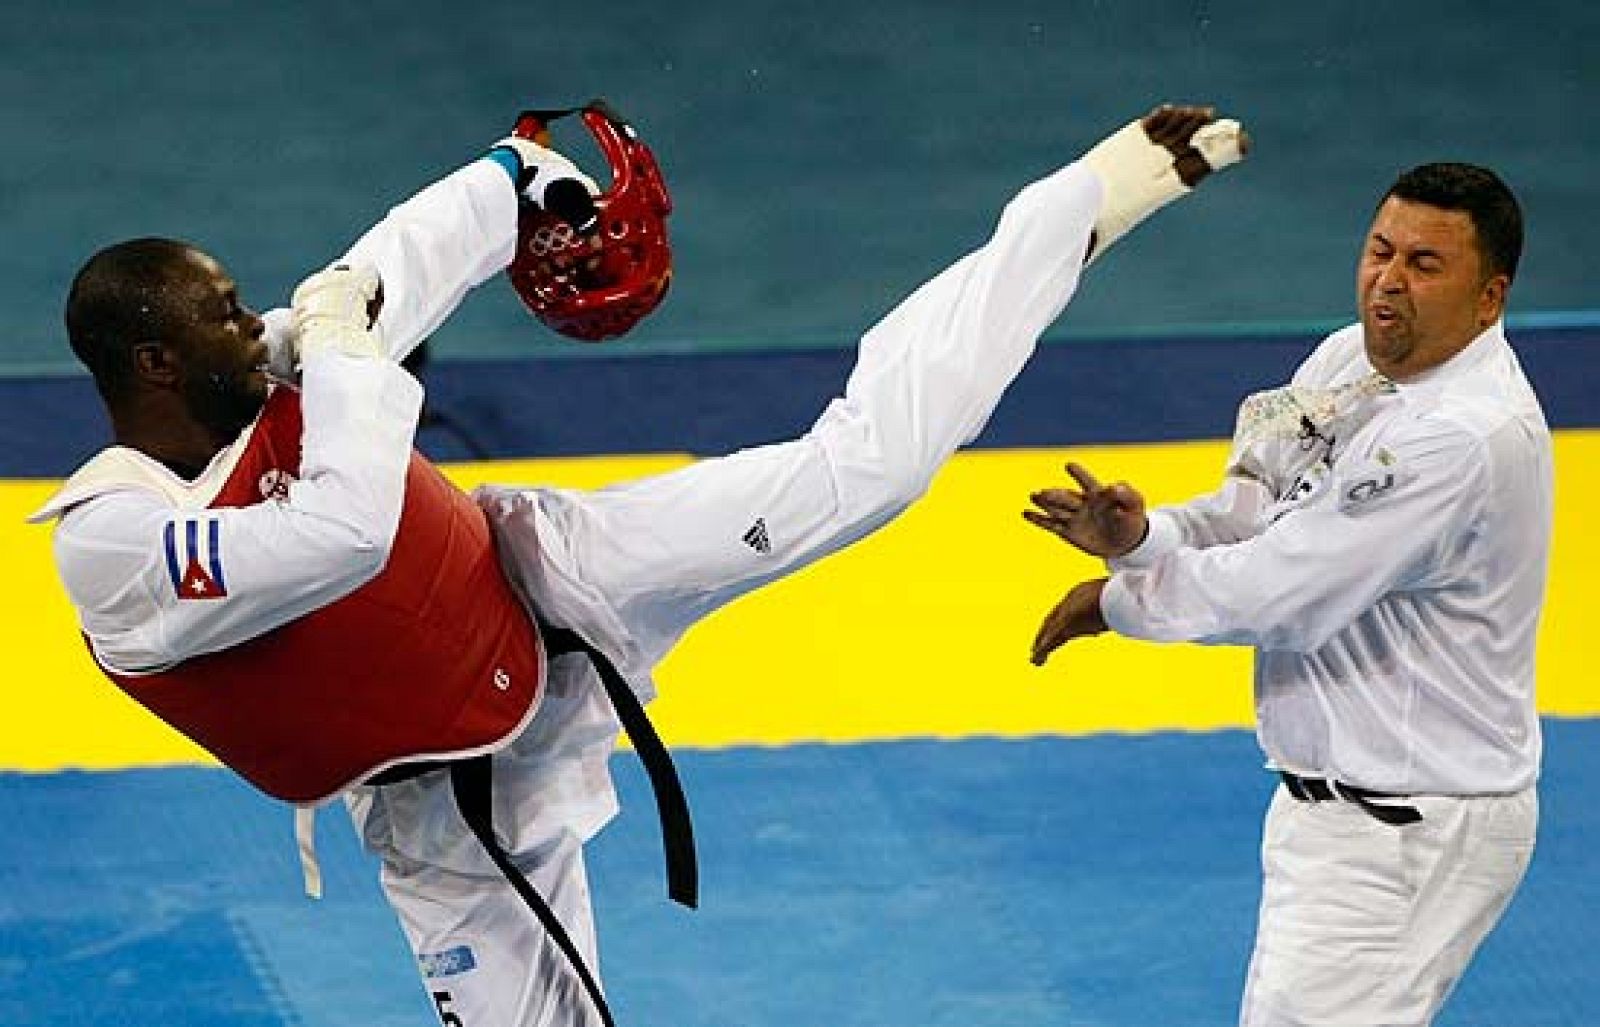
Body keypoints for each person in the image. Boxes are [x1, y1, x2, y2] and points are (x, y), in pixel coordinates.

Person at [34, 102, 1246, 1026]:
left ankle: (1078, 204)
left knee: (867, 467)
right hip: (445, 803)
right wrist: (348, 353)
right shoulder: (112, 538)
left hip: (543, 576)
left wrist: (527, 182)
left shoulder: (280, 364)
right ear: (152, 362)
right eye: (226, 313)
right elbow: (339, 533)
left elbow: (401, 256)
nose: (258, 326)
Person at [1025, 162, 1547, 1026]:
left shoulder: (1459, 439)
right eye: (1380, 251)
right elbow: (1259, 508)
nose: (1388, 279)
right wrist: (1144, 538)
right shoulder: (1349, 358)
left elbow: (1283, 592)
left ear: (1489, 297)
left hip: (1410, 830)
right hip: (1337, 812)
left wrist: (1114, 603)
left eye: (1425, 264)